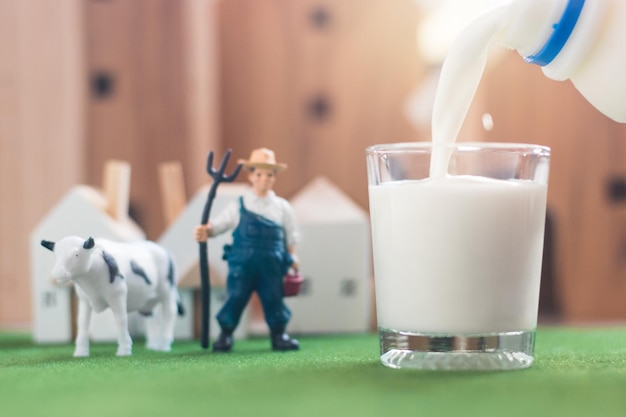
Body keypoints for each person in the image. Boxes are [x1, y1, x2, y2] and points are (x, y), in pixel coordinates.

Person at [194, 148, 300, 352]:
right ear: (251, 176)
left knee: (273, 298)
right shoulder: (239, 204)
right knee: (236, 296)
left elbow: (291, 234)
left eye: (269, 174)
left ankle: (279, 335)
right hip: (242, 263)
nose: (264, 179)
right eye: (259, 174)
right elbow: (221, 223)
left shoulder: (282, 207)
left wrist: (293, 254)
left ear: (274, 177)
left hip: (272, 264)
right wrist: (207, 230)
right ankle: (225, 334)